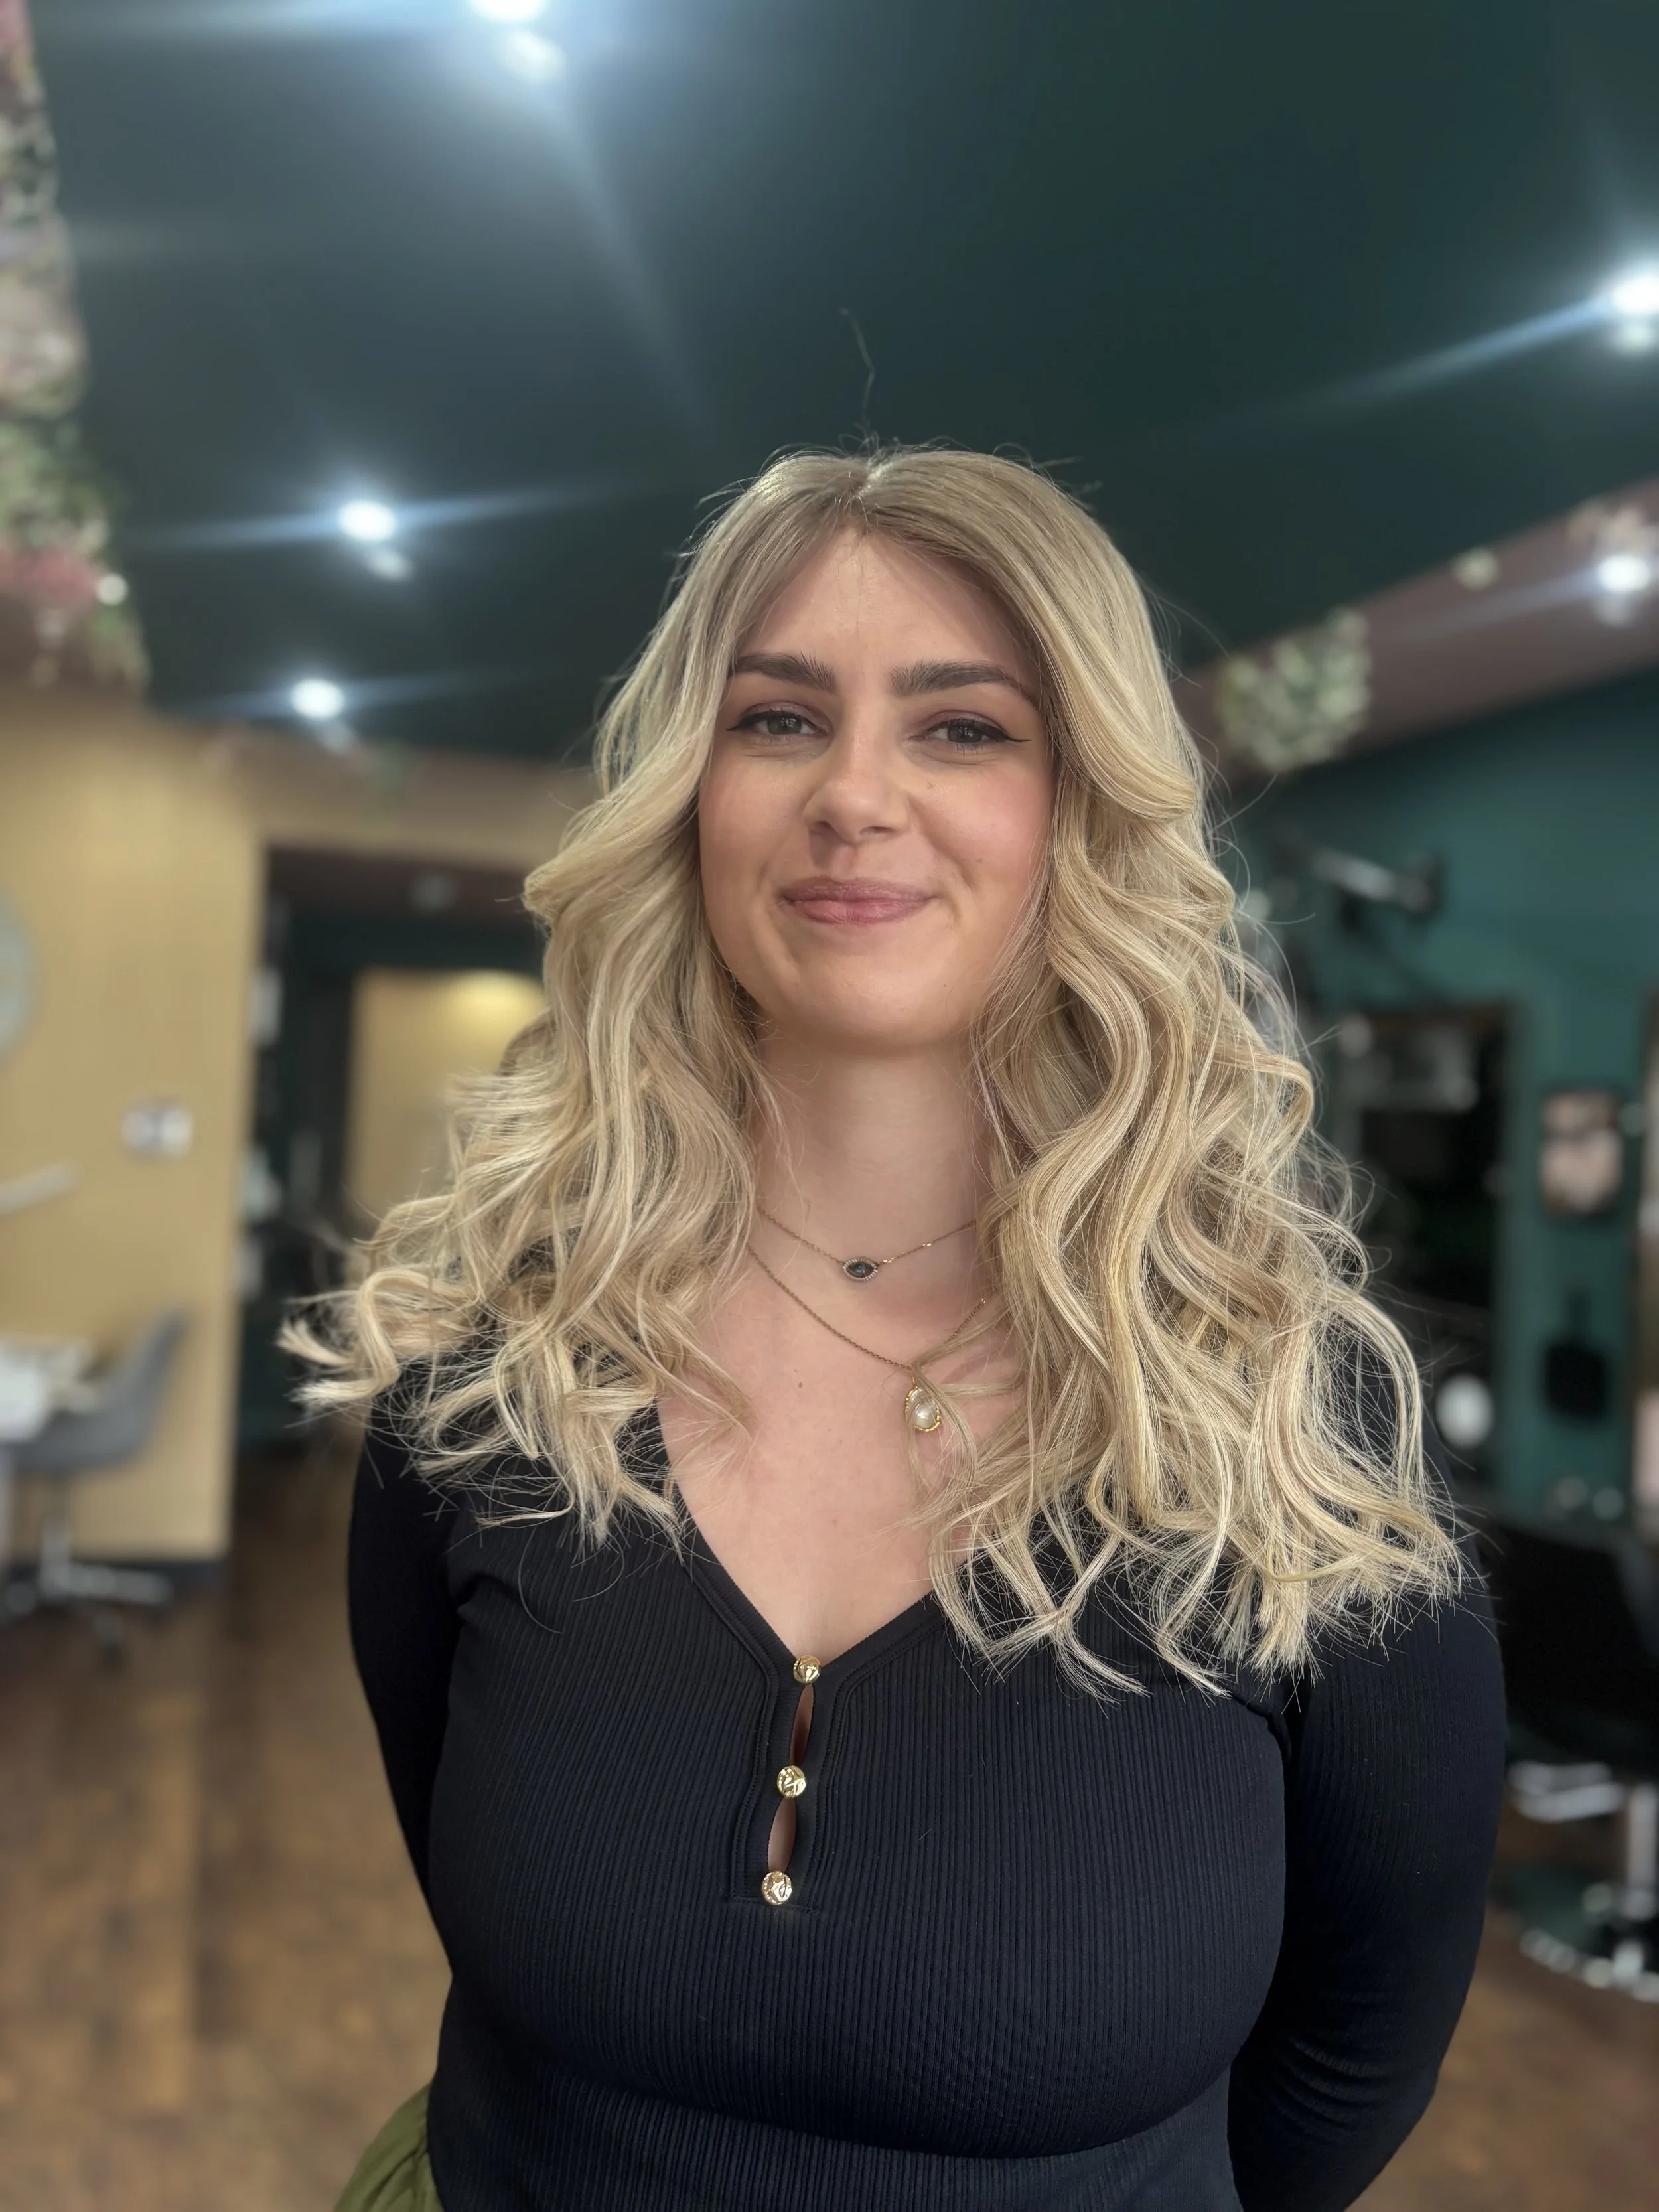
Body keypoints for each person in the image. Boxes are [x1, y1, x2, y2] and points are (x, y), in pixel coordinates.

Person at [297, 446, 1505, 2212]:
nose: (853, 793)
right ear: (691, 795)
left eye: (961, 728)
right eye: (778, 720)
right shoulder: (499, 1386)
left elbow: (1349, 2053)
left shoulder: (1291, 1432)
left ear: (1076, 808)